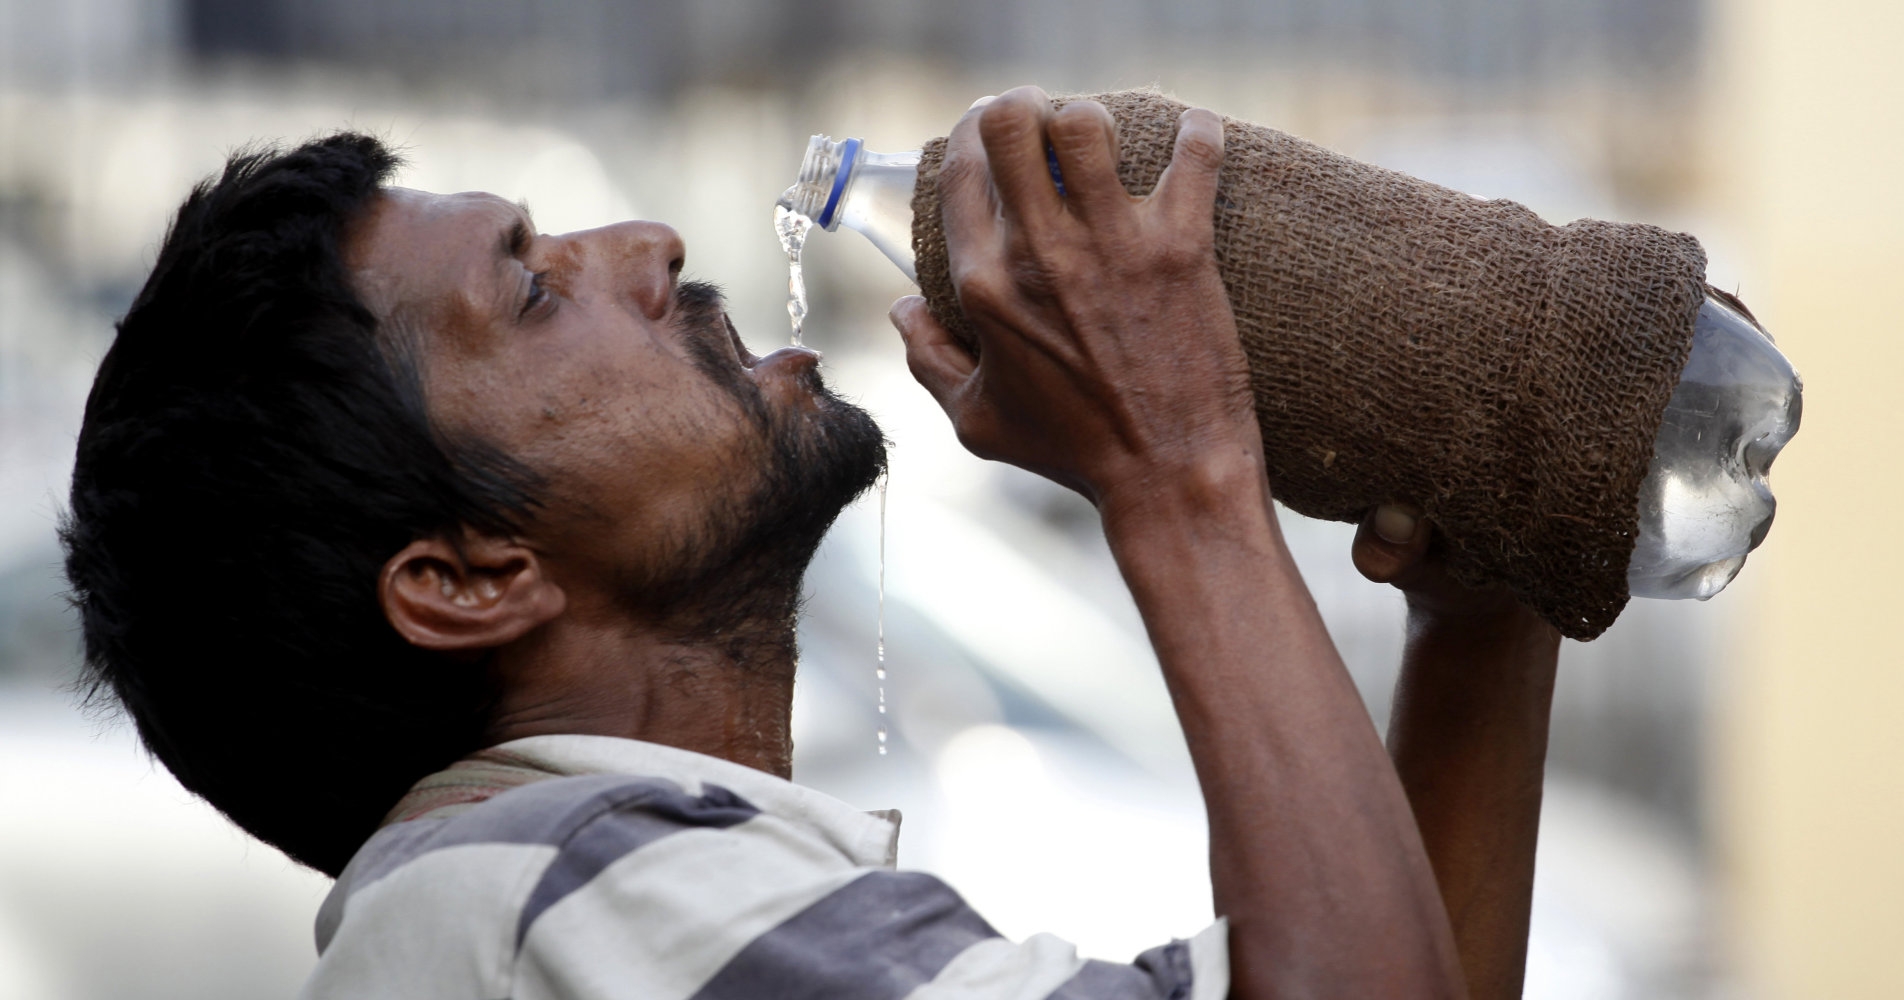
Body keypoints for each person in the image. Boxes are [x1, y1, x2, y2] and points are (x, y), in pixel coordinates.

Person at [62, 86, 1561, 1000]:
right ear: (468, 579)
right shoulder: (560, 892)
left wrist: (1480, 612)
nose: (648, 250)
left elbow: (1391, 976)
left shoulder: (561, 897)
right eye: (531, 290)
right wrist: (1175, 466)